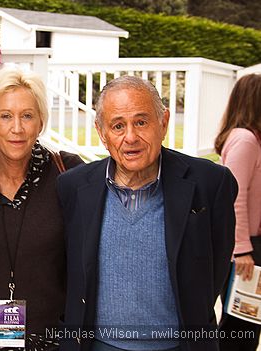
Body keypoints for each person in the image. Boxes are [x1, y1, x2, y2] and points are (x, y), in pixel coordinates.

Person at [57, 75, 238, 351]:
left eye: (141, 122)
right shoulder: (73, 186)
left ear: (163, 122)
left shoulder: (210, 183)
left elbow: (216, 268)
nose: (130, 137)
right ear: (102, 132)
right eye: (118, 126)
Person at [0, 68, 83, 351]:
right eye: (5, 116)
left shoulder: (68, 173)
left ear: (40, 122)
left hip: (54, 340)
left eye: (27, 116)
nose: (17, 128)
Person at [215, 73, 261, 351]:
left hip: (249, 246)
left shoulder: (248, 138)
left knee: (247, 325)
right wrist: (242, 249)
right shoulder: (245, 140)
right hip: (246, 250)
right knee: (241, 328)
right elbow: (235, 196)